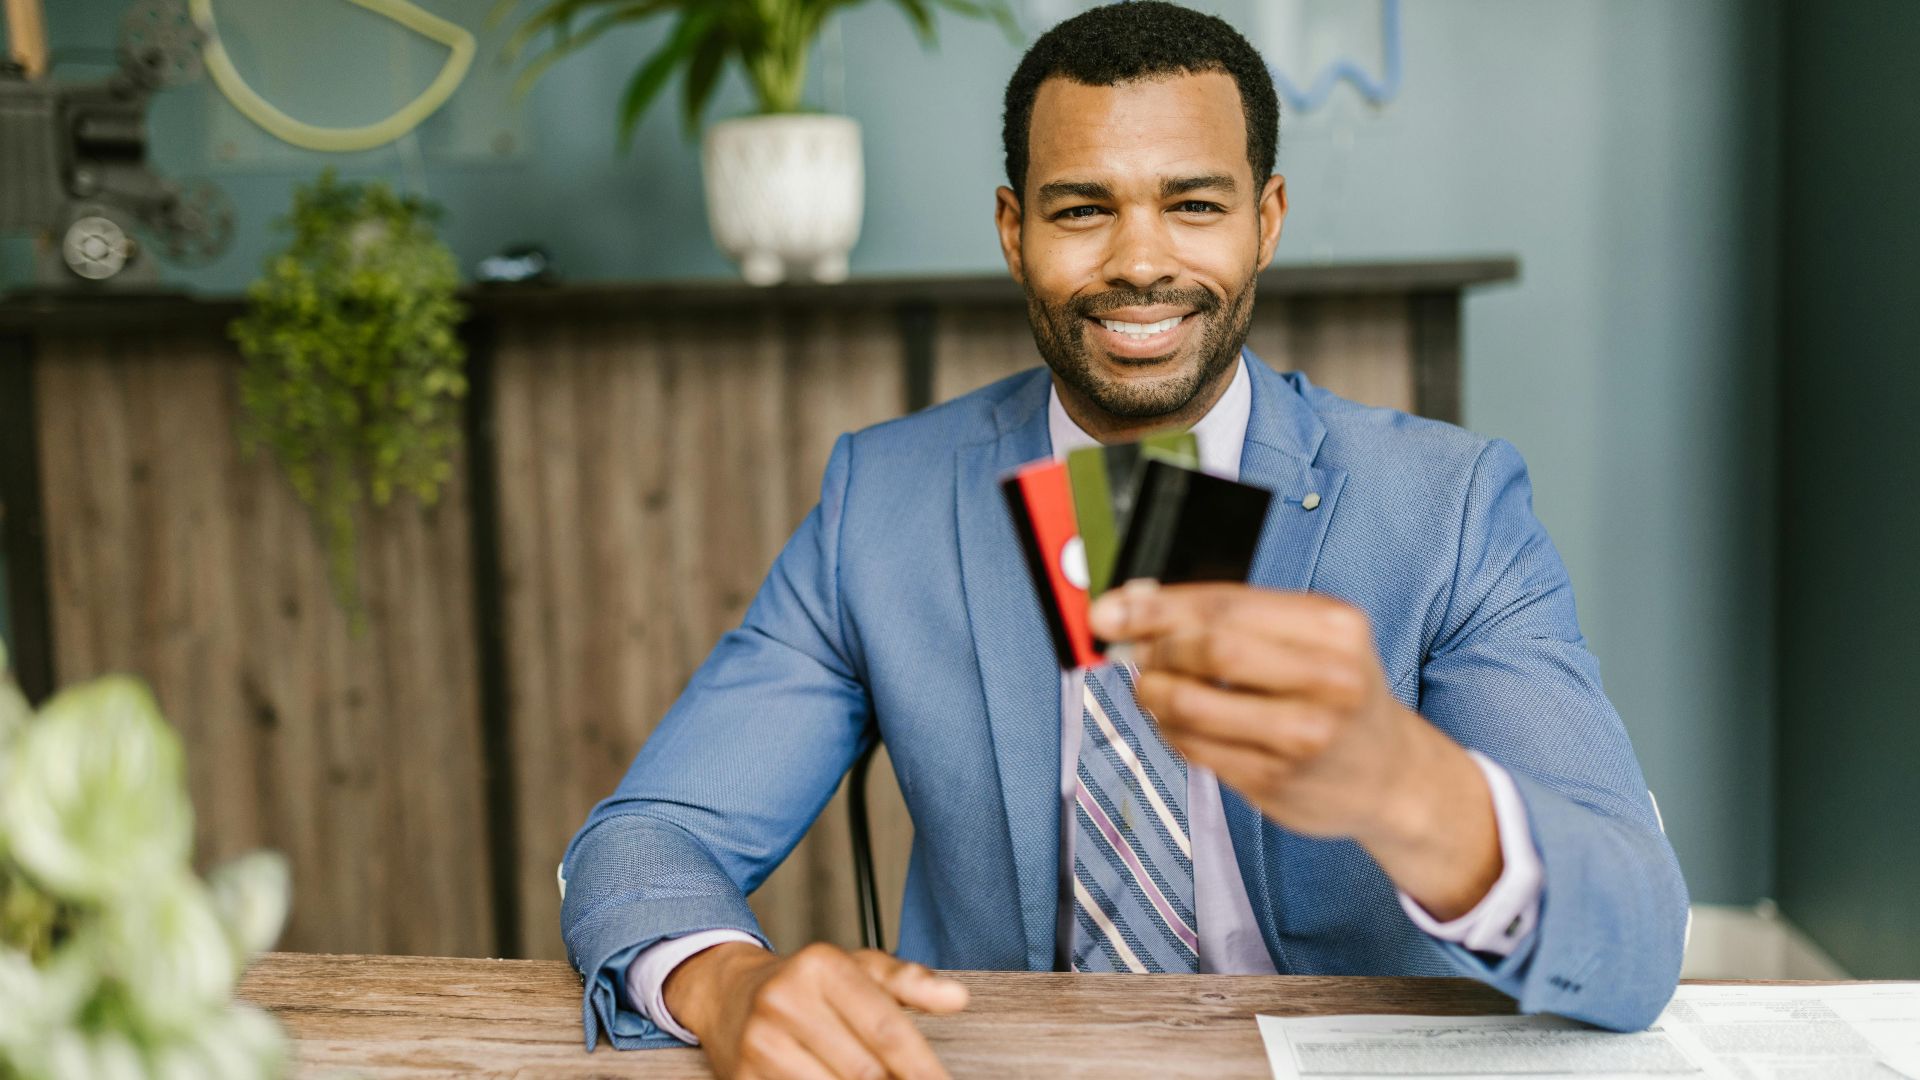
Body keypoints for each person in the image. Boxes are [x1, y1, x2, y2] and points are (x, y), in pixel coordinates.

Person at [559, 4, 1689, 1077]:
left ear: (1268, 219)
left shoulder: (1447, 508)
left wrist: (1410, 788)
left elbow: (1637, 935)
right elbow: (647, 837)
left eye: (1194, 205)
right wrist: (725, 984)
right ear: (1014, 230)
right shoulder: (883, 501)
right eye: (1081, 207)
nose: (1139, 261)